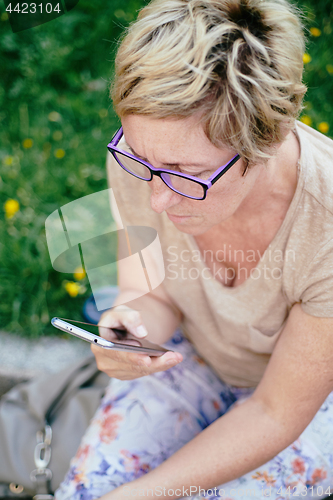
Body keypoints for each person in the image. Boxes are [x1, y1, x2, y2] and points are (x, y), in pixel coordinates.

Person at [54, 0, 333, 498]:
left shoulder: (326, 227)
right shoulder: (144, 158)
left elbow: (275, 412)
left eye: (188, 175)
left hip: (307, 397)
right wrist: (130, 335)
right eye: (143, 159)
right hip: (196, 355)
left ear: (266, 141)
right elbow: (152, 295)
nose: (158, 199)